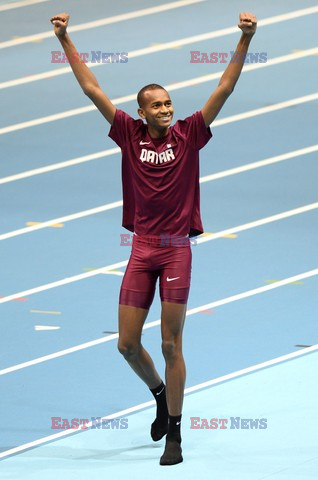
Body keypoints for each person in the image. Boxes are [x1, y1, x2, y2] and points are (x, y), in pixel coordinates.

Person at [50, 11, 257, 465]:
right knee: (125, 344)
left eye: (169, 103)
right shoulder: (127, 133)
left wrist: (244, 40)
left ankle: (176, 435)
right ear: (141, 112)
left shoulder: (189, 135)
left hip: (177, 251)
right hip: (142, 250)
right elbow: (92, 89)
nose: (166, 109)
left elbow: (223, 89)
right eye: (157, 105)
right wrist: (65, 39)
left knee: (170, 344)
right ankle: (160, 395)